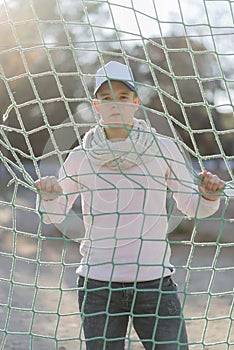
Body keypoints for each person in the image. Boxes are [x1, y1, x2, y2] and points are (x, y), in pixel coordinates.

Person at [35, 61, 225, 349]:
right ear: (96, 105)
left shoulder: (163, 148)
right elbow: (55, 213)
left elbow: (191, 206)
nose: (115, 104)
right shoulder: (81, 156)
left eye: (123, 97)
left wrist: (209, 195)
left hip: (155, 283)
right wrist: (49, 196)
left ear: (135, 102)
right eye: (107, 97)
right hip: (98, 285)